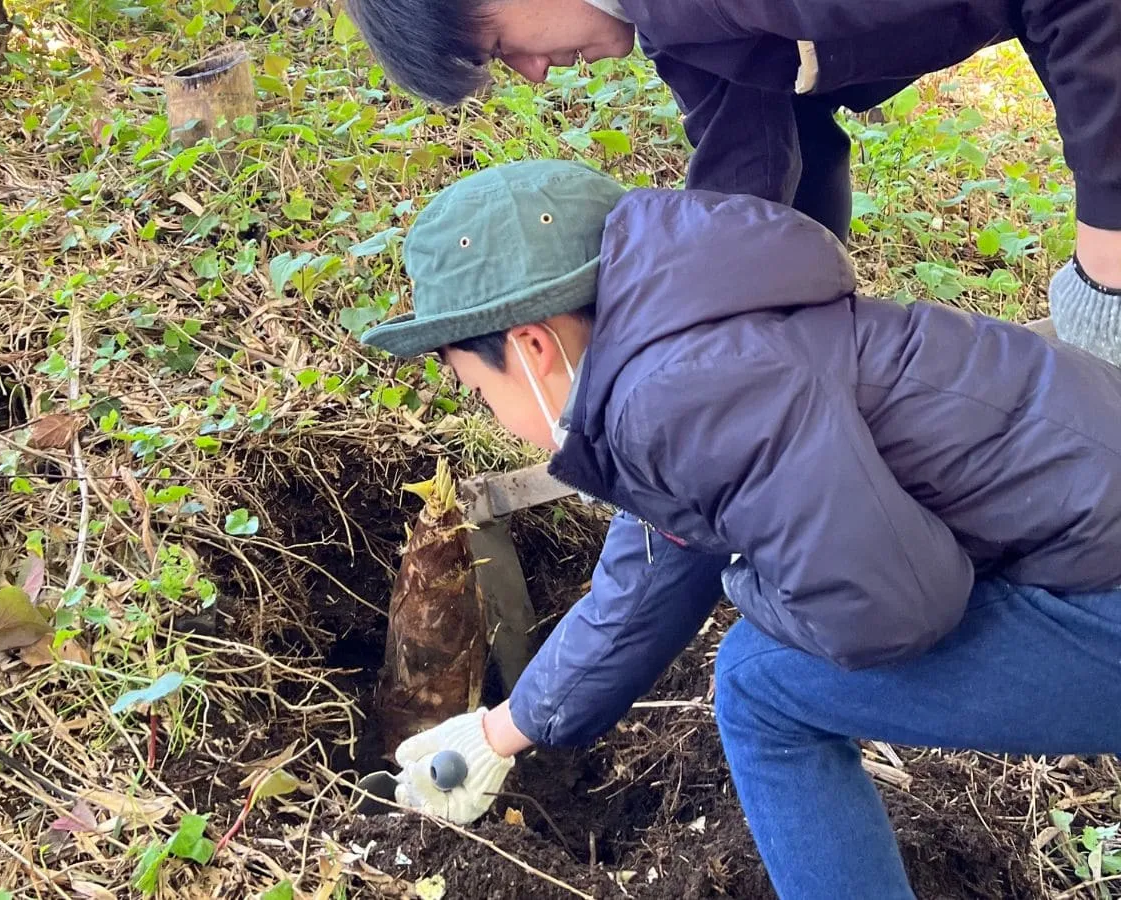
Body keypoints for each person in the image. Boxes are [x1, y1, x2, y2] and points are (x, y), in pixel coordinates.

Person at [359, 159, 1121, 900]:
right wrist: (498, 733)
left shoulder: (676, 396)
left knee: (760, 687)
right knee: (763, 669)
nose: (494, 412)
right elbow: (647, 575)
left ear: (531, 346)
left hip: (1102, 589)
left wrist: (744, 579)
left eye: (479, 390)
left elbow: (897, 609)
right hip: (1085, 542)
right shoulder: (691, 346)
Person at [346, 0, 1121, 367]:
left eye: (497, 44)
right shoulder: (672, 28)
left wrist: (1108, 255)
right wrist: (670, 360)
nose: (534, 70)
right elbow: (754, 164)